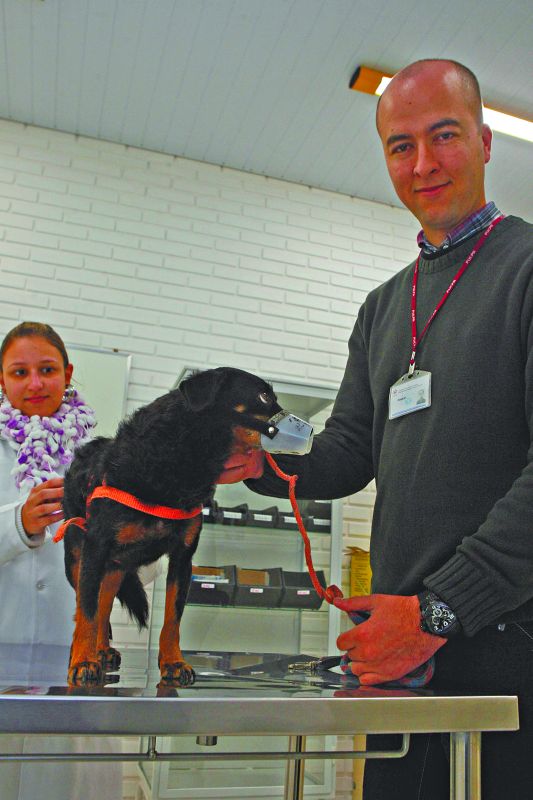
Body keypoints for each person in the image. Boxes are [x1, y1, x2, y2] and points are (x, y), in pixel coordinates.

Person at [234, 59, 533, 799]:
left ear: (486, 141)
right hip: (400, 646)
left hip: (505, 645)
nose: (423, 164)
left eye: (444, 136)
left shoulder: (525, 269)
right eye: (401, 146)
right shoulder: (381, 305)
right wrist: (256, 440)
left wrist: (442, 608)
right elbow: (341, 452)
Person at [0, 321, 122, 800]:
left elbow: (139, 565)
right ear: (1, 380)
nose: (34, 384)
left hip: (77, 657)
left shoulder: (105, 455)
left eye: (47, 369)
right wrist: (19, 524)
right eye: (19, 372)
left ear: (67, 373)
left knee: (67, 782)